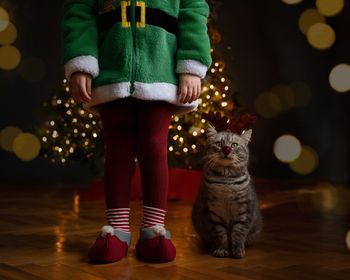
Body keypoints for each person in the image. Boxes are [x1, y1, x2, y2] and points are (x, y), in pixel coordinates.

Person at [62, 0, 212, 263]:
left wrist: (191, 66)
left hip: (161, 73)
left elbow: (193, 11)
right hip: (112, 73)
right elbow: (80, 11)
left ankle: (154, 230)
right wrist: (81, 64)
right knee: (117, 152)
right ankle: (117, 229)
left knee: (154, 148)